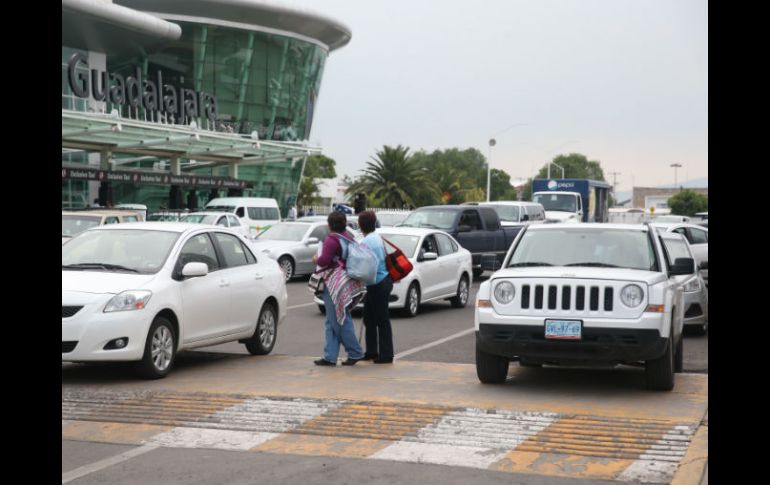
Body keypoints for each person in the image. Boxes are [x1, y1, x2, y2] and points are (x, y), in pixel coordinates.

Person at [311, 212, 366, 366]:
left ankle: (355, 352)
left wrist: (316, 258)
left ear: (330, 224)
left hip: (335, 283)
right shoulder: (347, 236)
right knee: (331, 320)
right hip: (347, 280)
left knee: (340, 320)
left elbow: (324, 260)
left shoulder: (331, 239)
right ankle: (330, 356)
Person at [357, 211, 394, 363]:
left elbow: (362, 264)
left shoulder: (366, 242)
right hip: (381, 282)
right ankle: (372, 351)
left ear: (361, 225)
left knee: (381, 320)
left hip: (377, 283)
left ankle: (386, 355)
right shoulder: (376, 237)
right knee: (369, 318)